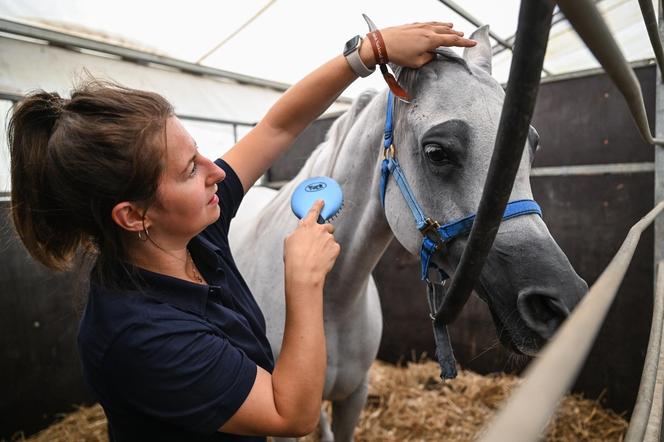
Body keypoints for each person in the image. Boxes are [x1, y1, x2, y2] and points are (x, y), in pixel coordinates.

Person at [8, 20, 475, 441]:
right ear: (133, 216)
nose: (216, 171)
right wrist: (304, 281)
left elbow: (276, 126)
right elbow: (290, 416)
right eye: (189, 169)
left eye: (200, 152)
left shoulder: (192, 235)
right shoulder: (141, 337)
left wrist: (369, 51)